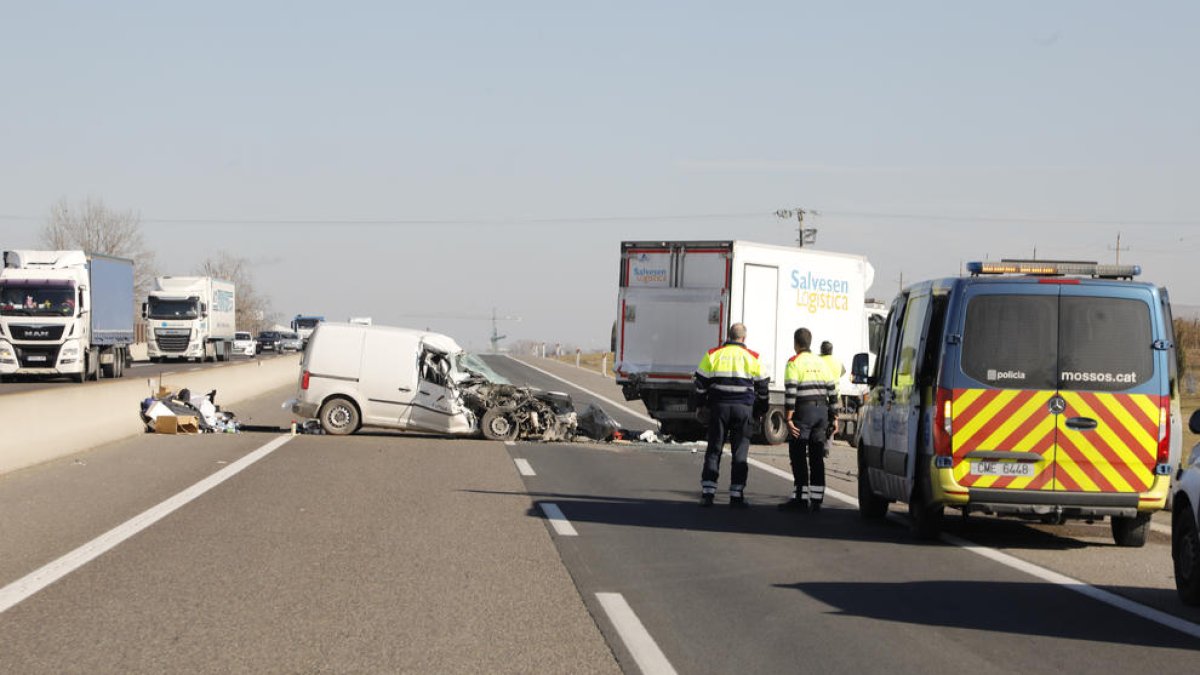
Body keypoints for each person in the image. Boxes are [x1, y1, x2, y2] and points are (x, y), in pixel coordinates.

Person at [693, 323, 769, 508]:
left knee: (714, 449)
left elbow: (700, 384)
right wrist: (760, 410)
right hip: (743, 409)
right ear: (743, 338)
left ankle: (708, 493)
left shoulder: (713, 354)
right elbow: (763, 388)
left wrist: (701, 405)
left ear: (728, 336)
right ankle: (736, 495)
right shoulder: (753, 357)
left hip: (719, 407)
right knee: (740, 452)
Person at [779, 328, 837, 513]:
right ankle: (817, 498)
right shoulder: (822, 362)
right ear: (810, 343)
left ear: (796, 343)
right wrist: (834, 416)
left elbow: (791, 391)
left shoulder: (794, 362)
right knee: (817, 454)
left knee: (798, 453)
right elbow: (832, 391)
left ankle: (800, 498)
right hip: (822, 411)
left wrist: (788, 417)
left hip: (803, 411)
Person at [819, 341, 845, 455]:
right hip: (835, 395)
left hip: (821, 396)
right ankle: (827, 448)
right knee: (832, 422)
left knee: (820, 422)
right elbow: (843, 372)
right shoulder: (837, 362)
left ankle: (817, 445)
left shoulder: (818, 360)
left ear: (821, 350)